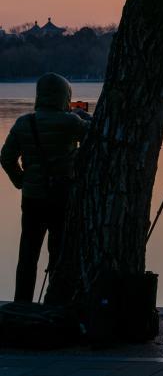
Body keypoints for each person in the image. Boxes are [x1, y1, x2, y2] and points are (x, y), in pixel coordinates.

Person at [0, 72, 91, 304]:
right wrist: (83, 117)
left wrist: (21, 180)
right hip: (62, 198)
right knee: (58, 255)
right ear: (65, 96)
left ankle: (22, 305)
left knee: (28, 254)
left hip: (32, 199)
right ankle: (55, 304)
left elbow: (6, 157)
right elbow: (94, 138)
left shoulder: (24, 123)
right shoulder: (70, 122)